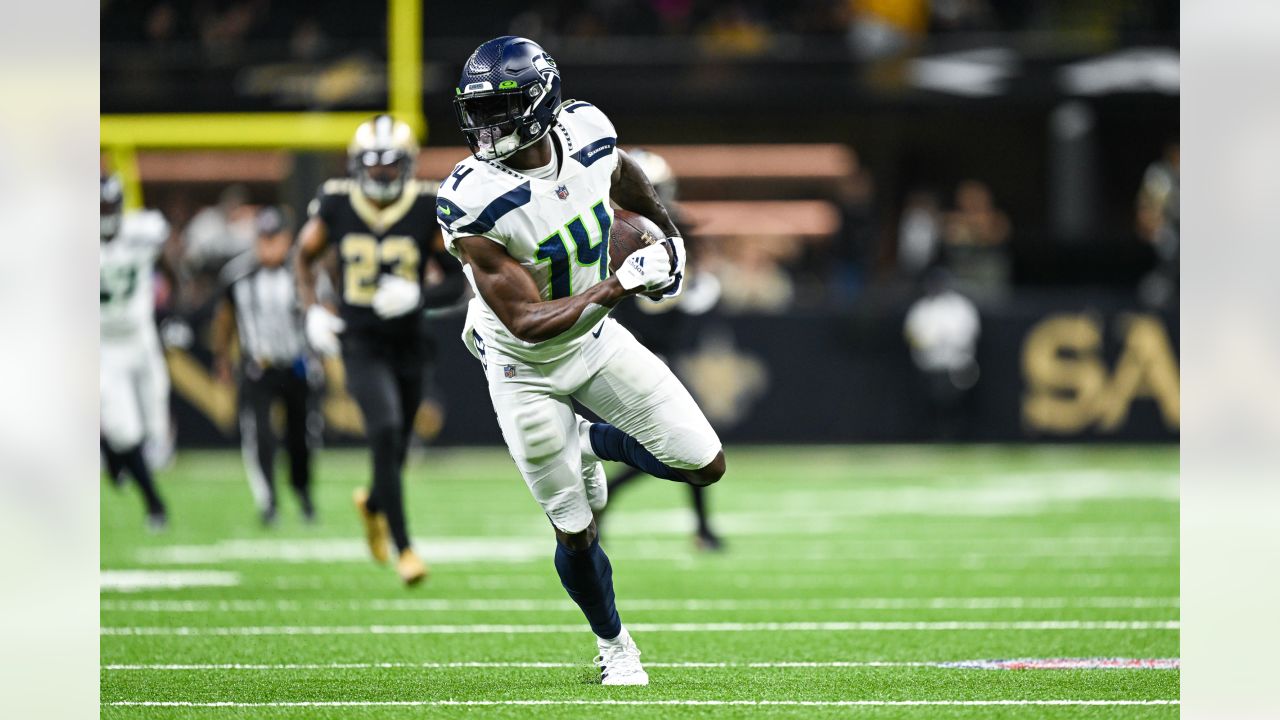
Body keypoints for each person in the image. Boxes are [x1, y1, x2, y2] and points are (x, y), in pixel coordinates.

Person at [437, 36, 727, 686]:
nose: (485, 126)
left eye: (501, 108)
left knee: (705, 464)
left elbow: (625, 176)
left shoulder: (589, 131)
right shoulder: (471, 197)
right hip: (523, 366)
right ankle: (615, 645)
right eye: (477, 111)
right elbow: (525, 322)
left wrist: (668, 239)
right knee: (576, 528)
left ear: (542, 102)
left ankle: (592, 440)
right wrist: (621, 284)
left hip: (595, 340)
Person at [295, 115, 466, 586]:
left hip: (410, 340)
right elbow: (303, 256)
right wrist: (312, 309)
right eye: (374, 164)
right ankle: (405, 548)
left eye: (392, 165)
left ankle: (373, 502)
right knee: (386, 429)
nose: (384, 174)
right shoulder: (335, 202)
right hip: (361, 340)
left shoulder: (426, 204)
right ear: (356, 165)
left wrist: (418, 296)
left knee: (398, 446)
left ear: (407, 166)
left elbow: (458, 279)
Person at [602, 148, 723, 551]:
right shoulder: (608, 228)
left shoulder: (674, 229)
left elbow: (698, 286)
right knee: (671, 444)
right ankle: (601, 500)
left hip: (656, 351)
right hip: (622, 350)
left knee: (688, 442)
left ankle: (702, 527)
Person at [212, 206, 319, 526]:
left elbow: (321, 311)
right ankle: (268, 500)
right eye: (265, 238)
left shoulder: (303, 272)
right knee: (260, 435)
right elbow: (225, 320)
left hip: (297, 364)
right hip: (258, 366)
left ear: (288, 239)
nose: (270, 246)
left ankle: (302, 493)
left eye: (276, 238)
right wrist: (222, 360)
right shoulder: (237, 275)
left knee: (301, 438)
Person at [99, 174, 171, 531]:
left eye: (107, 206)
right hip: (101, 343)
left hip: (141, 336)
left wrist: (168, 304)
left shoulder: (143, 230)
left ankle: (113, 455)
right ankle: (155, 503)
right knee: (123, 428)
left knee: (155, 422)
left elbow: (168, 256)